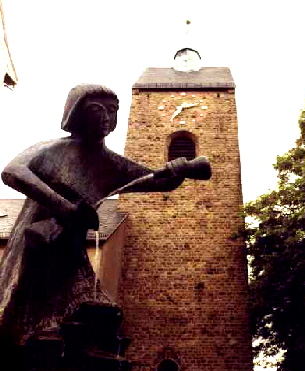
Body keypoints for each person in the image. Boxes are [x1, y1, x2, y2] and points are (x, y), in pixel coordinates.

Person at [0, 83, 186, 346]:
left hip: (70, 255)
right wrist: (65, 207)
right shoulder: (53, 149)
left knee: (98, 315)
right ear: (75, 113)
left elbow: (157, 180)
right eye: (96, 109)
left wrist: (175, 173)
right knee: (34, 319)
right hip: (39, 246)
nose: (105, 117)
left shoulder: (109, 163)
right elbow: (13, 171)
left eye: (112, 110)